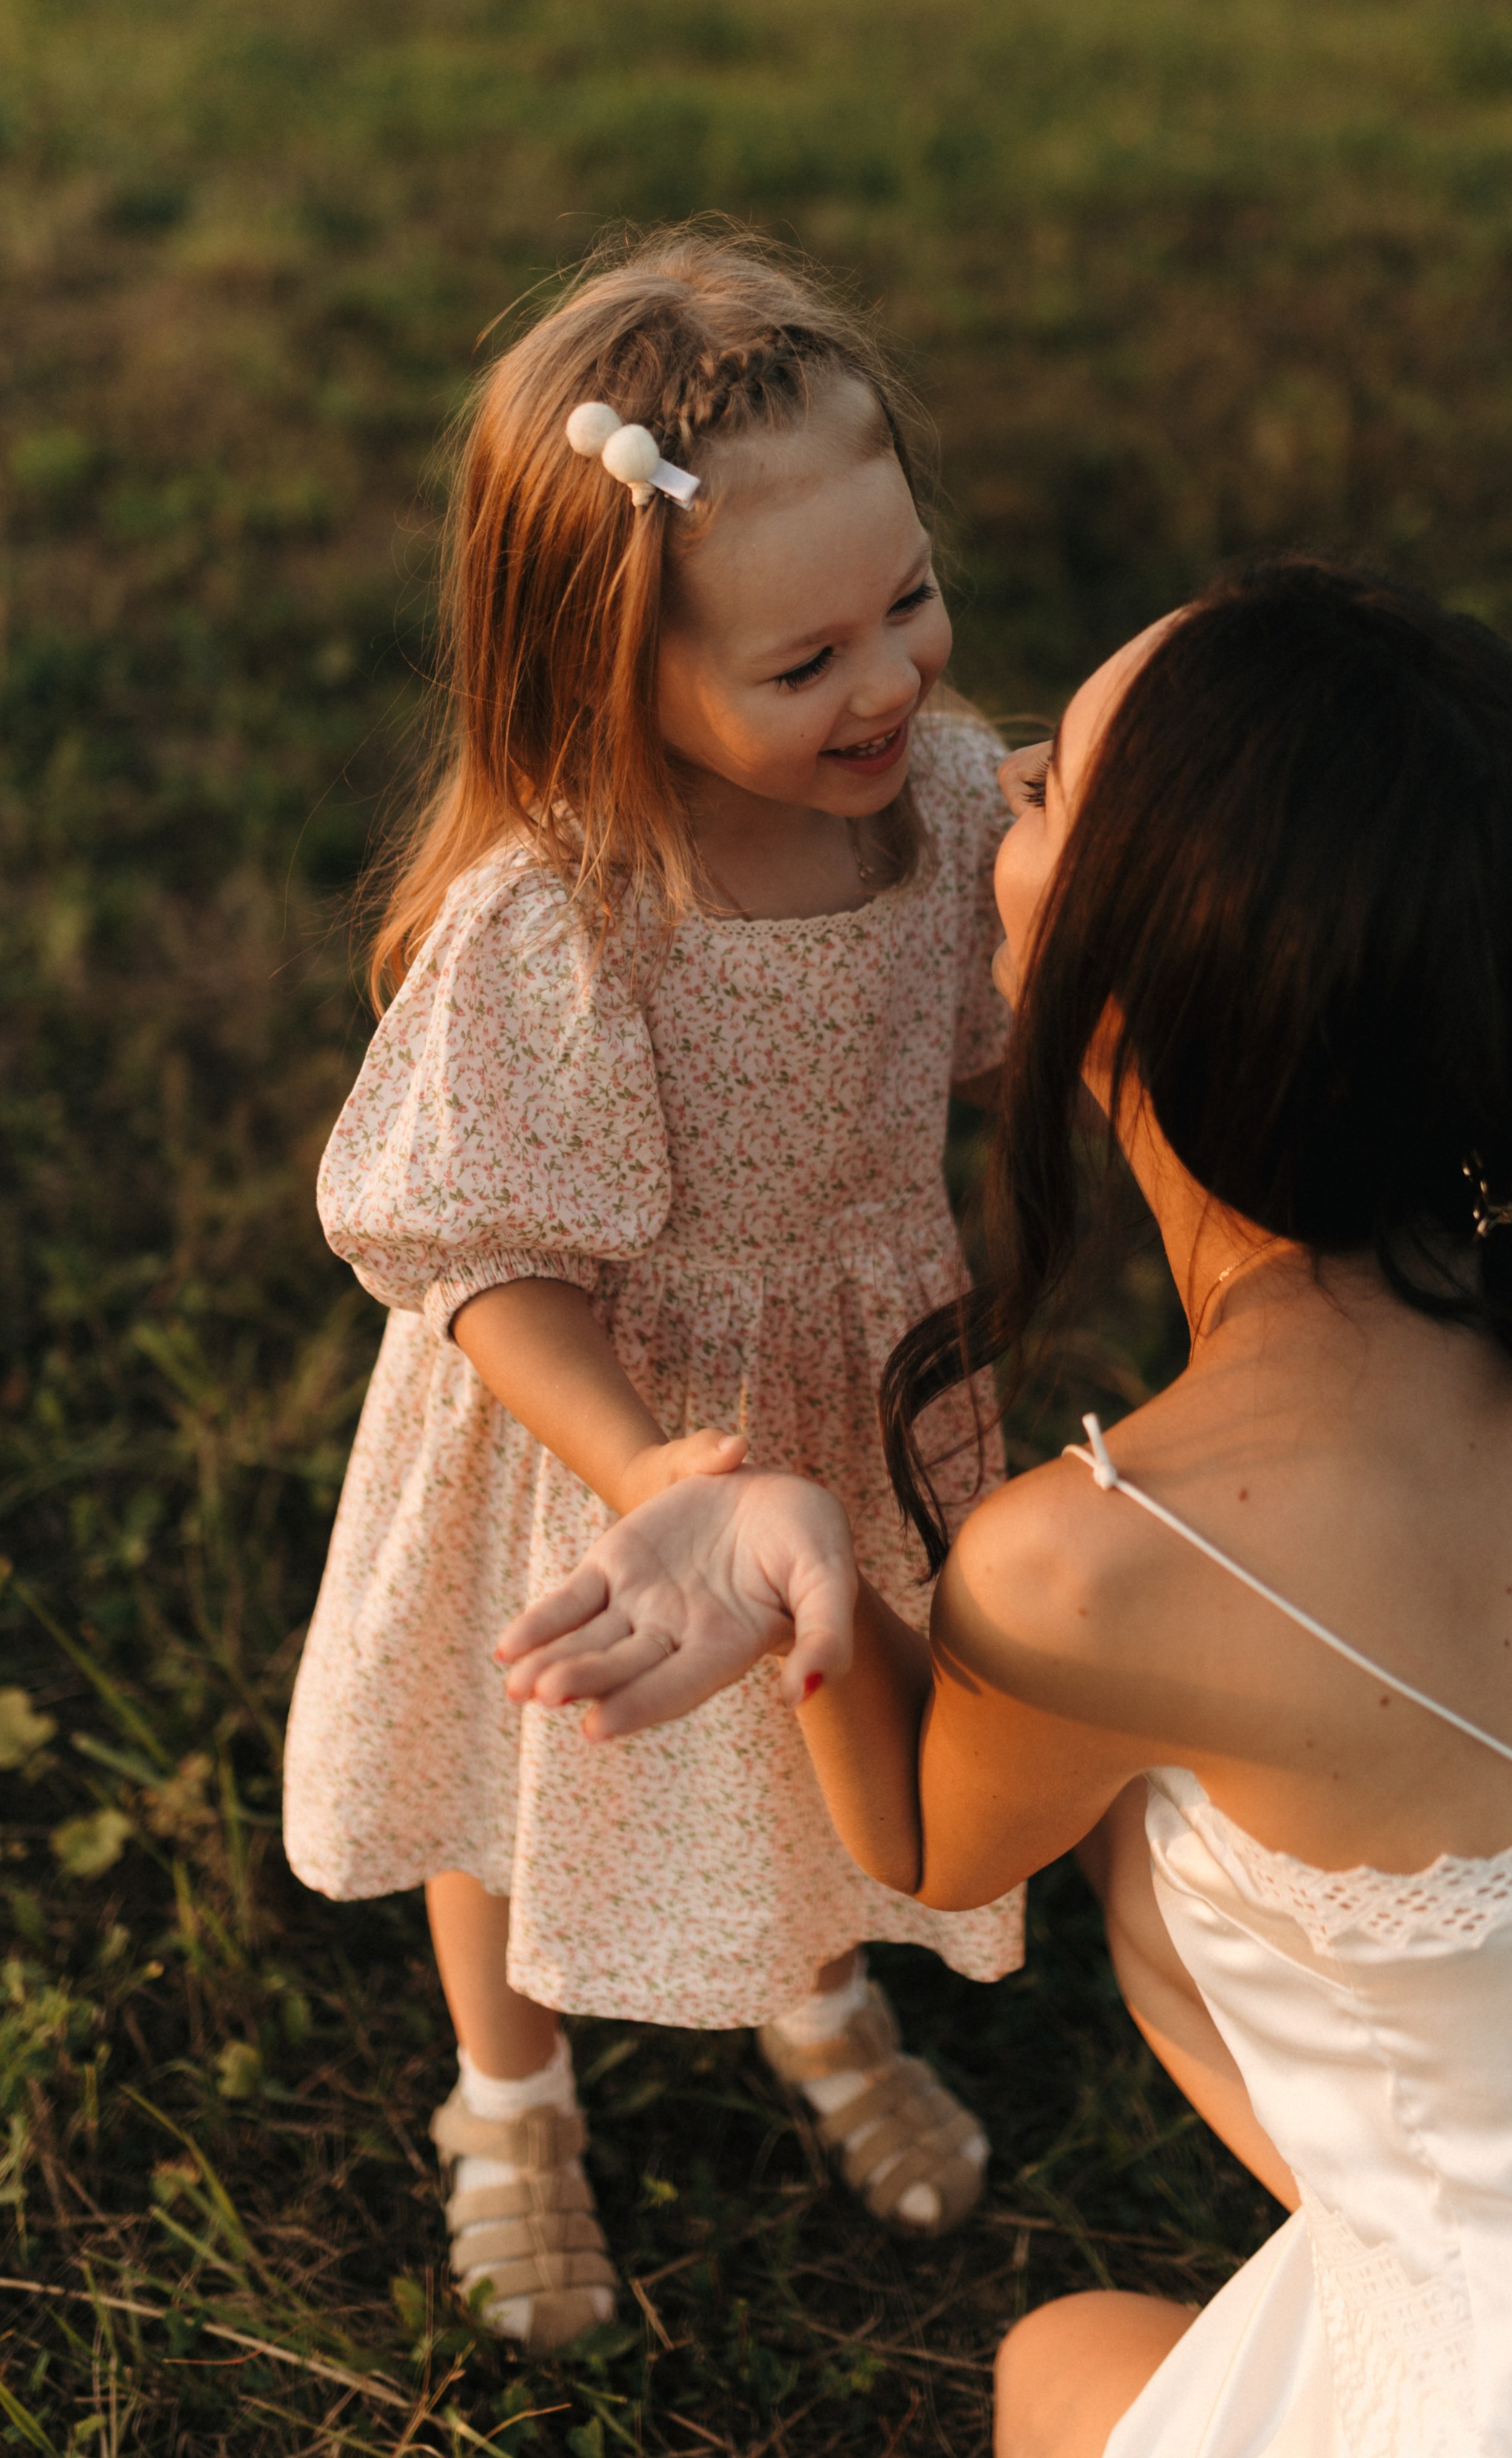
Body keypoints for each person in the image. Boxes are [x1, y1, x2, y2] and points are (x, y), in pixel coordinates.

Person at [499, 561, 1512, 2452]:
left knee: (1047, 2362)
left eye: (1052, 791)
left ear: (1137, 985)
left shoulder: (1106, 1567)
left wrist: (790, 1555)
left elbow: (922, 1835)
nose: (988, 777)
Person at [281, 227, 1023, 2355]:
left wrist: (1444, 945)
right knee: (524, 1769)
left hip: (853, 1394)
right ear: (611, 677)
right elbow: (483, 1260)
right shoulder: (574, 913)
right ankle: (507, 2104)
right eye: (802, 666)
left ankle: (814, 1990)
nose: (886, 681)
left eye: (906, 603)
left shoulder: (946, 806)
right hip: (603, 1432)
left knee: (815, 1724)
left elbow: (1126, 929)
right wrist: (650, 1459)